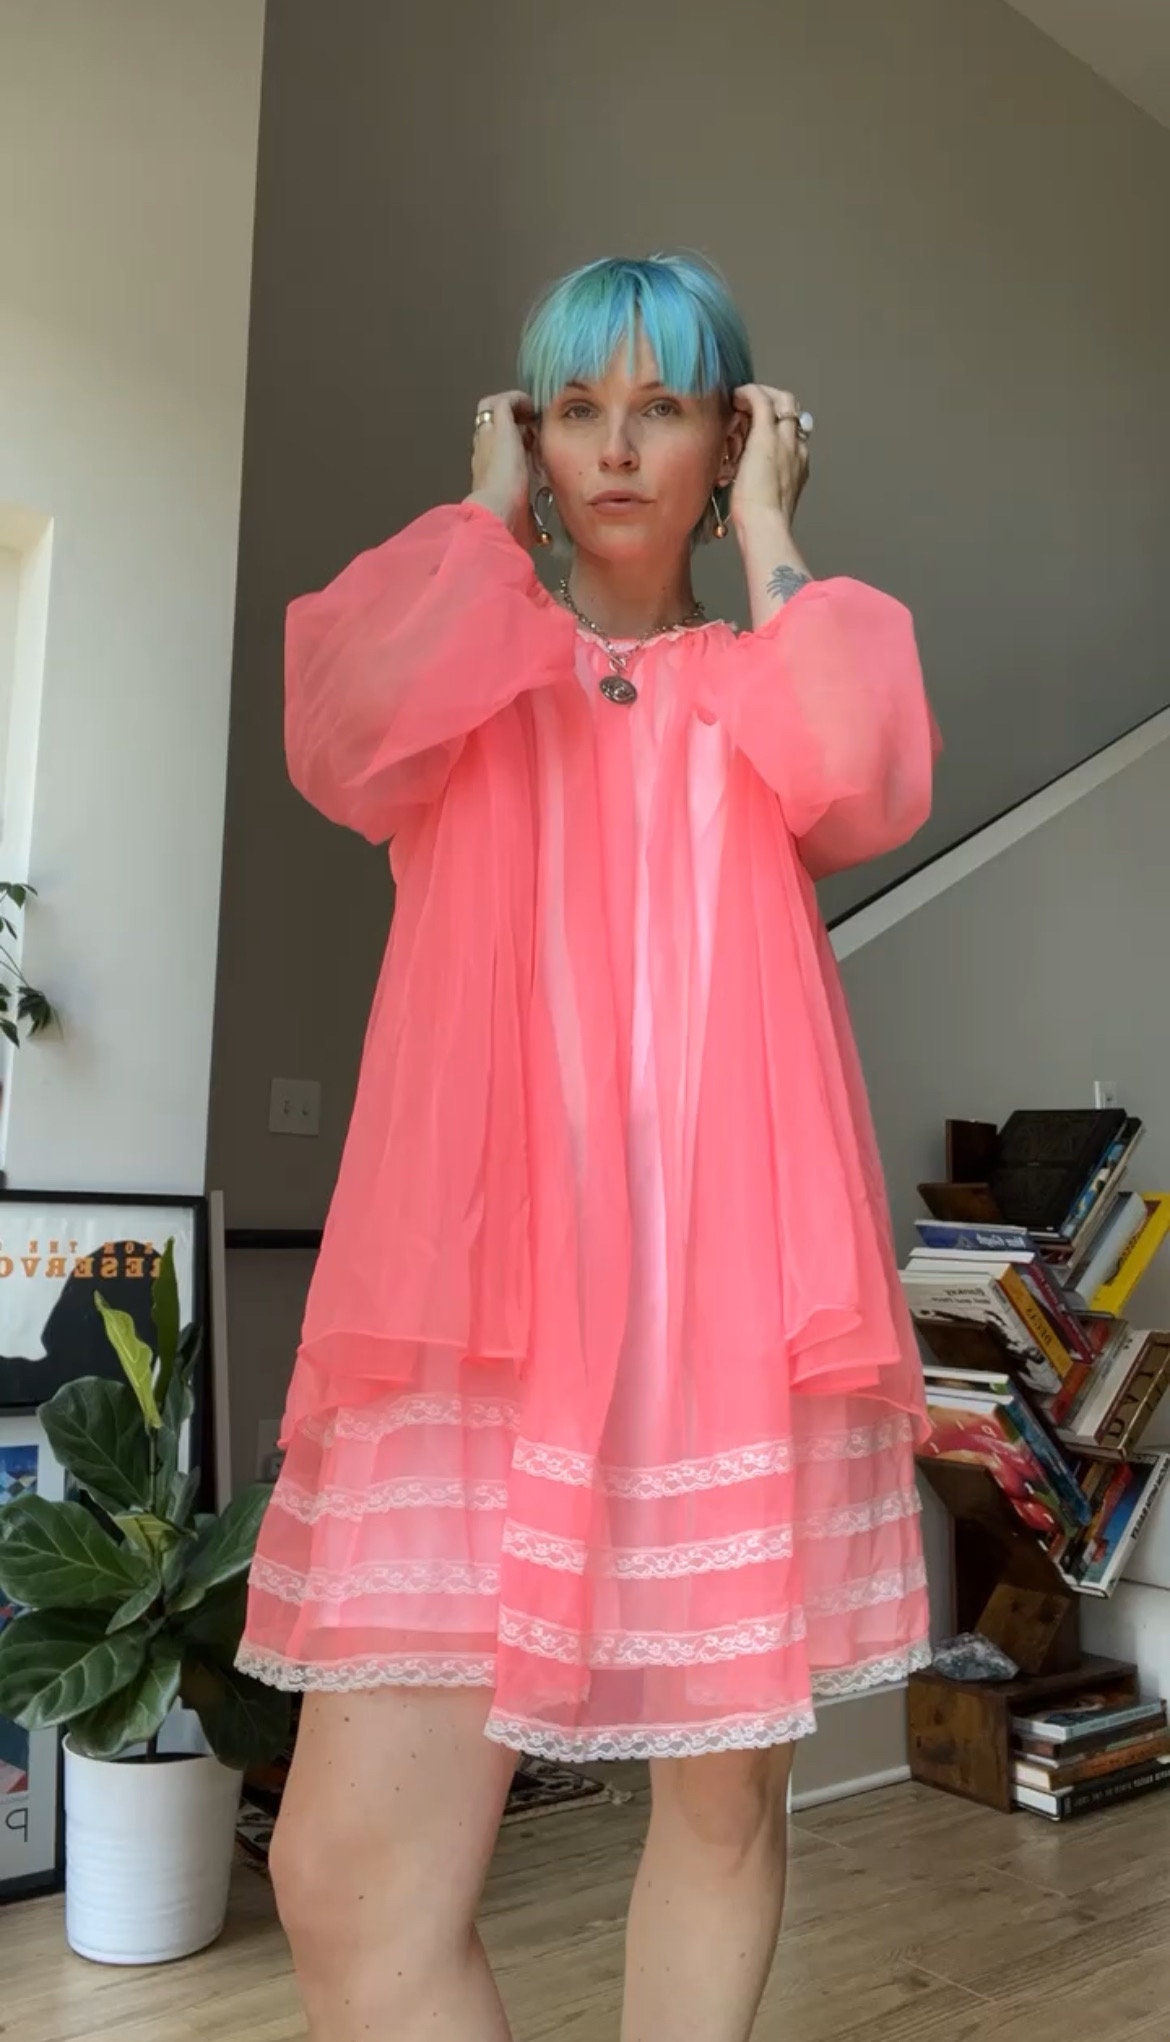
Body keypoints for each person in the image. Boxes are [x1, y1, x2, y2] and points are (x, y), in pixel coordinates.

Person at [237, 251, 939, 2042]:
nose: (615, 448)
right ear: (528, 438)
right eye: (573, 409)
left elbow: (864, 772)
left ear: (733, 439)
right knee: (345, 1879)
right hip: (476, 1333)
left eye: (665, 407)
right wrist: (479, 519)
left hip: (730, 1327)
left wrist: (773, 534)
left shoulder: (767, 679)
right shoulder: (469, 675)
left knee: (723, 1810)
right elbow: (340, 730)